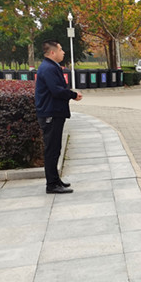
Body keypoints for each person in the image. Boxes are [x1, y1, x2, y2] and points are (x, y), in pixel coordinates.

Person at [34, 40, 83, 194]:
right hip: (51, 114)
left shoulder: (51, 67)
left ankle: (55, 180)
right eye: (61, 50)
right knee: (52, 150)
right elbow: (56, 90)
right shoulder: (48, 68)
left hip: (54, 112)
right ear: (53, 52)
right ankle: (52, 185)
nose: (64, 52)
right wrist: (73, 95)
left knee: (55, 149)